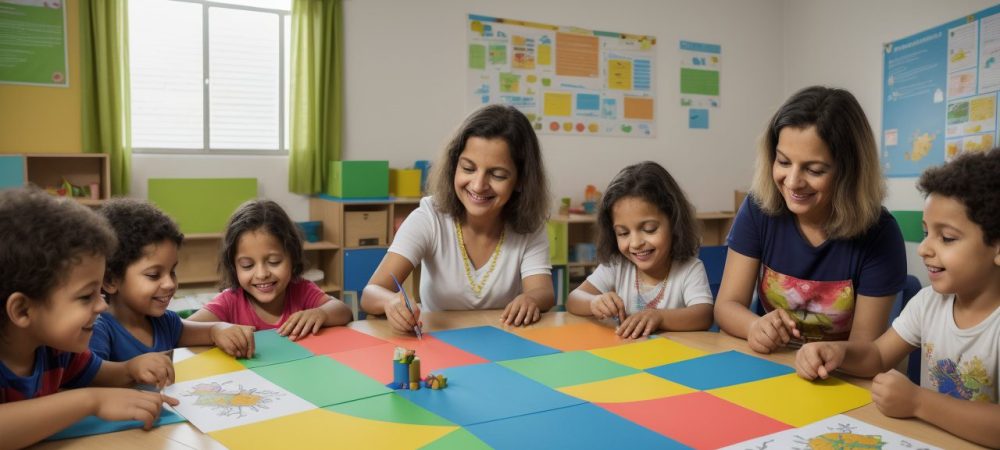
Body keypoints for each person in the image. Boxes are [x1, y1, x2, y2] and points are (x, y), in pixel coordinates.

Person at [795, 149, 1000, 448]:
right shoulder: (928, 303)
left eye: (947, 238)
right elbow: (878, 356)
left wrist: (918, 402)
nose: (924, 249)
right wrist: (836, 352)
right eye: (926, 232)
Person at [714, 86, 907, 353]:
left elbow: (865, 347)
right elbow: (726, 306)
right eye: (783, 162)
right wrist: (753, 326)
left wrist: (824, 357)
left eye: (814, 170)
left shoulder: (880, 234)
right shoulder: (758, 209)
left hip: (837, 371)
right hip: (768, 364)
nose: (793, 182)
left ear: (849, 173)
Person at [0, 189, 177, 448]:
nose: (102, 305)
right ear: (22, 310)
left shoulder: (58, 350)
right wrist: (92, 401)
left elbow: (98, 373)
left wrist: (130, 369)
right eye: (86, 296)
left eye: (99, 292)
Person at [361, 104, 554, 332]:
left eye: (497, 175)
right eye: (468, 168)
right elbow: (371, 293)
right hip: (439, 341)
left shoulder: (528, 225)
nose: (478, 185)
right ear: (454, 166)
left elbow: (543, 292)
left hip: (503, 340)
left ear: (521, 180)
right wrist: (390, 302)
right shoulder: (430, 217)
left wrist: (531, 299)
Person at [91, 199, 256, 361]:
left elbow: (208, 331)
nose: (170, 284)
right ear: (111, 281)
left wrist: (220, 329)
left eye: (172, 272)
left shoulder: (164, 322)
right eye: (154, 275)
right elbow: (92, 377)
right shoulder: (98, 329)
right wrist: (129, 370)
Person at [566, 161, 713, 337]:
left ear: (674, 223)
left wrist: (659, 317)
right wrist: (594, 302)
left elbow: (704, 315)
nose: (635, 243)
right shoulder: (617, 265)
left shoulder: (689, 269)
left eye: (649, 229)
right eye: (623, 233)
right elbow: (573, 299)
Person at [188, 200, 352, 339]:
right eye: (247, 265)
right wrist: (214, 331)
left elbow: (344, 311)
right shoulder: (229, 301)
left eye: (274, 262)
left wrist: (321, 313)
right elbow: (183, 330)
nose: (262, 274)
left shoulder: (301, 290)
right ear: (233, 266)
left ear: (293, 258)